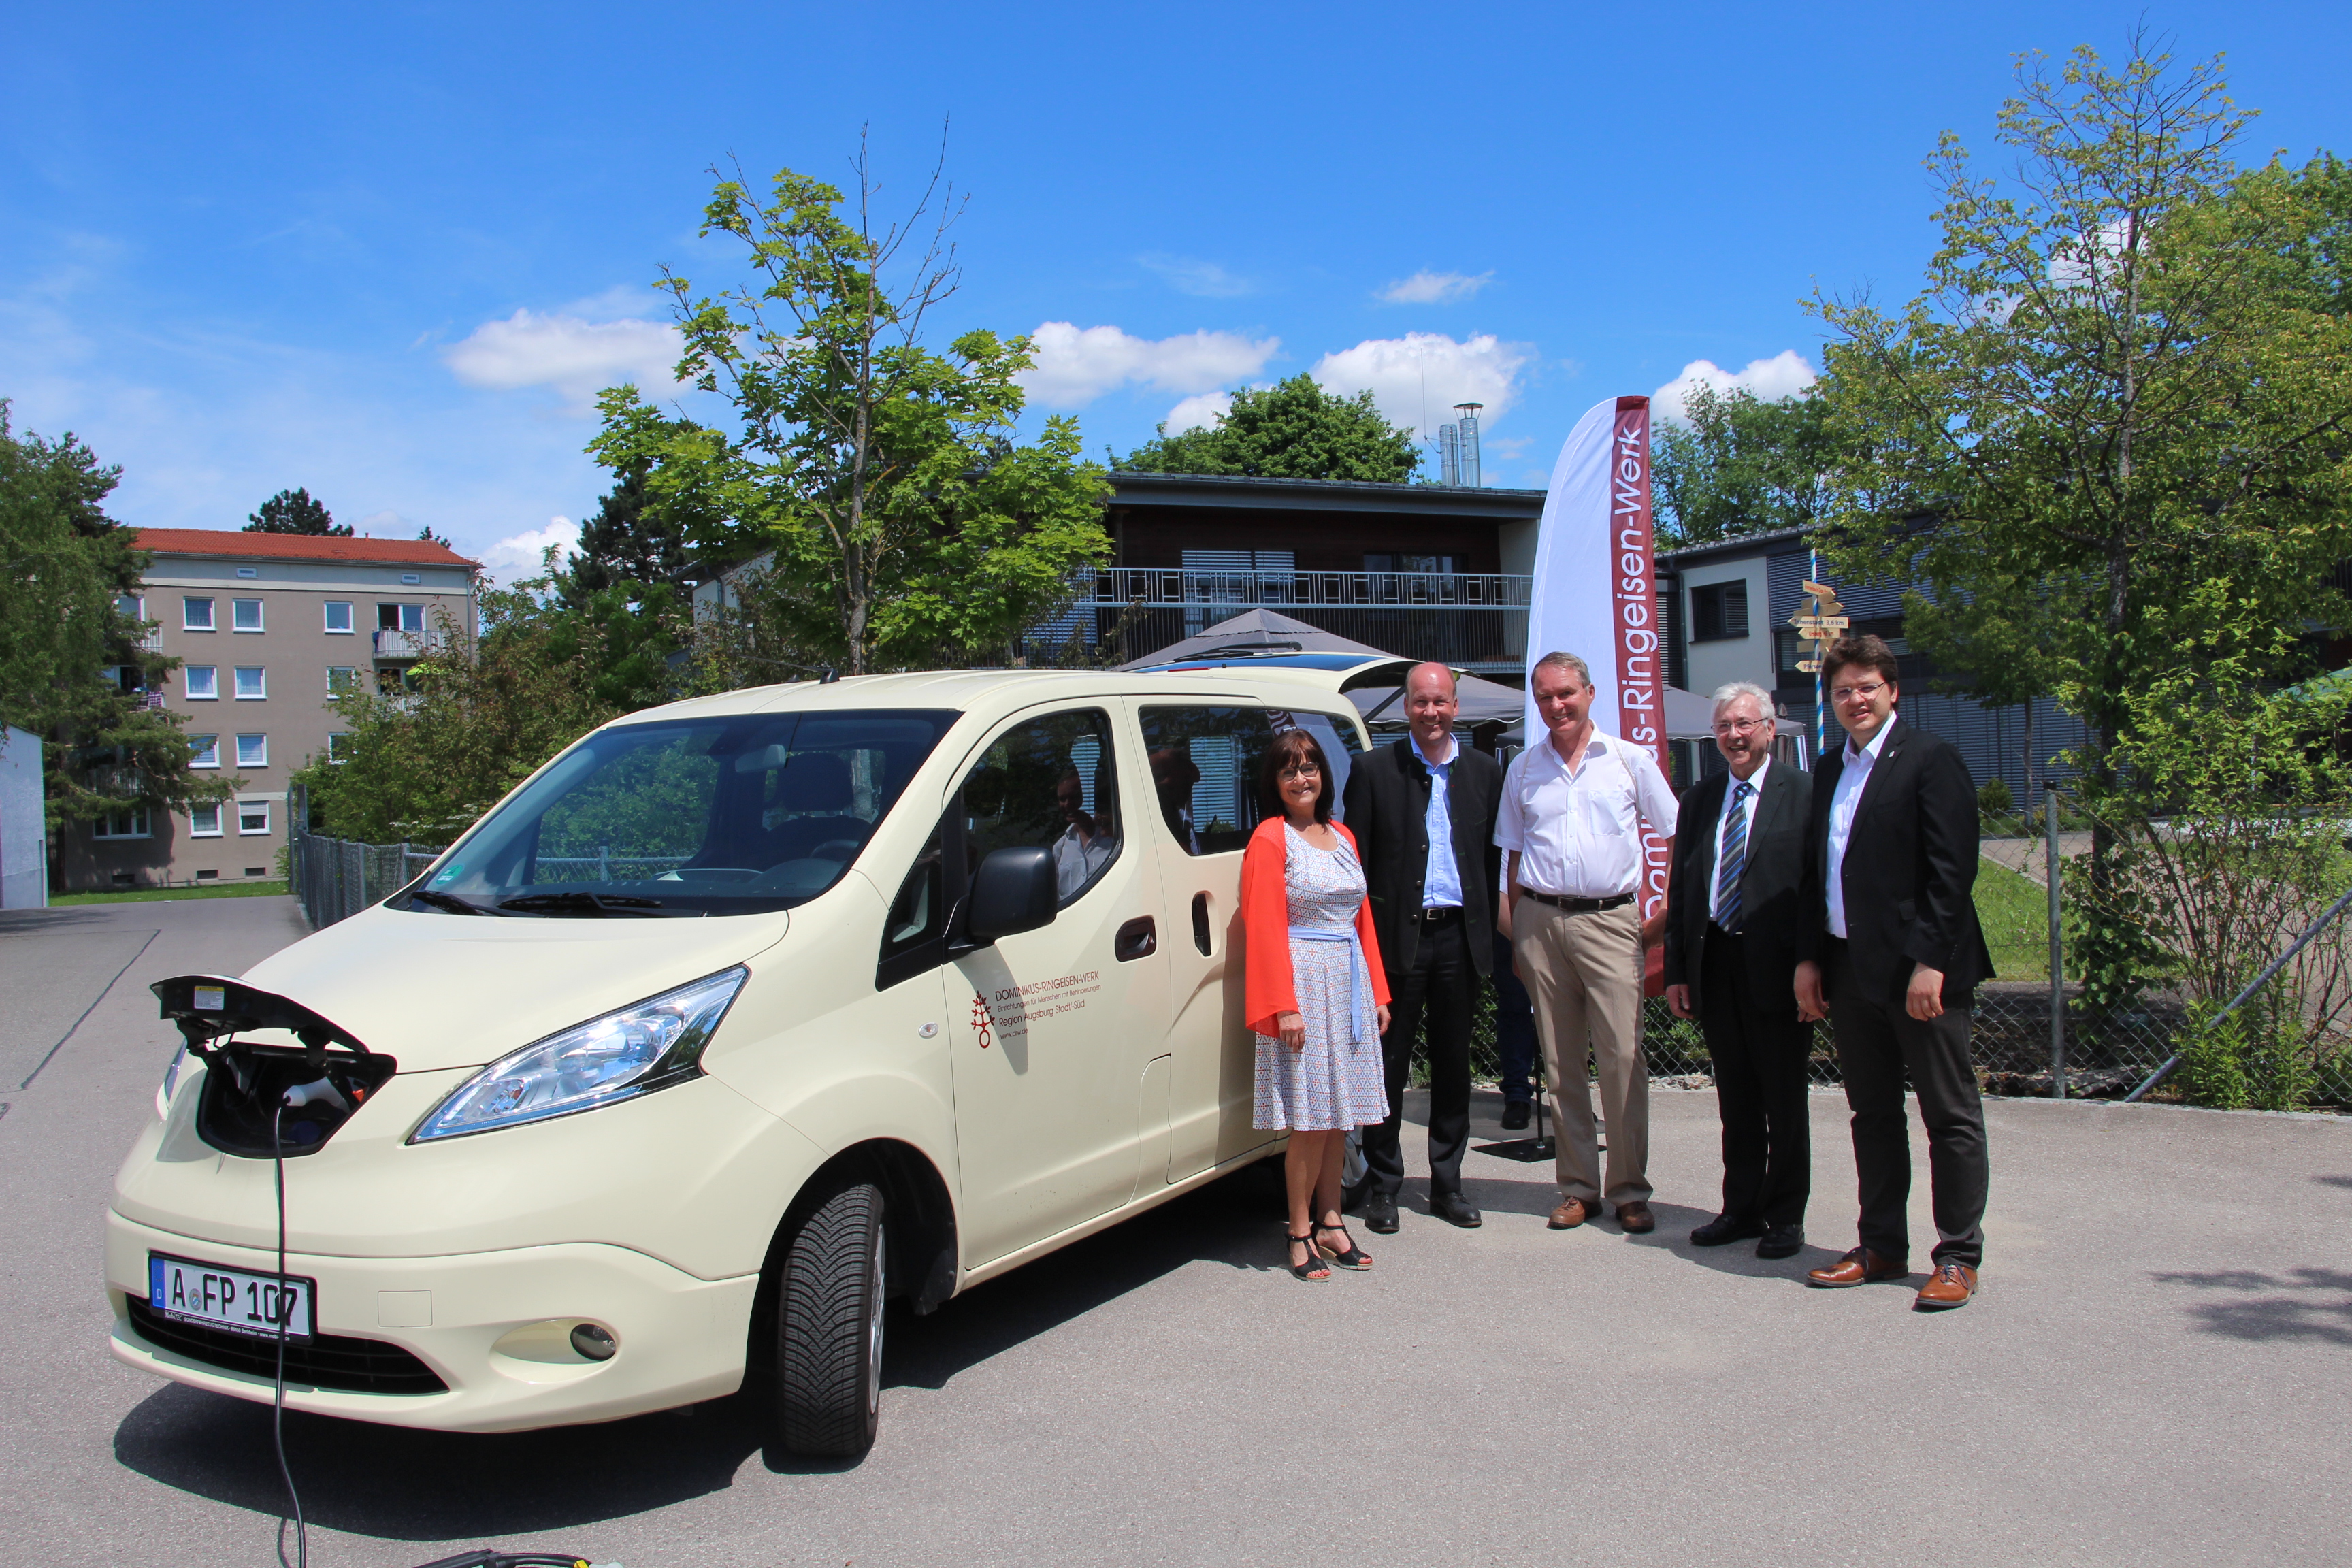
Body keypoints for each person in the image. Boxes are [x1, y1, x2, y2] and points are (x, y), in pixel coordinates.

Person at [1793, 634, 1994, 1310]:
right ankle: (1881, 1246)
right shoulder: (1828, 770)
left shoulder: (1931, 760)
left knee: (1949, 1117)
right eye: (1843, 690)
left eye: (1866, 687)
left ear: (1892, 691)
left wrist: (1930, 962)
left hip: (1921, 974)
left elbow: (1951, 873)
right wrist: (1810, 959)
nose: (1855, 700)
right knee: (1872, 1115)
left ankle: (1957, 1256)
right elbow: (1816, 876)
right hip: (1851, 970)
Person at [1498, 650, 1679, 1235]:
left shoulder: (1629, 761)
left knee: (1624, 1059)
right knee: (1561, 1062)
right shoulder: (1525, 768)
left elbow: (1675, 834)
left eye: (1565, 694)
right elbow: (1514, 856)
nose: (1556, 706)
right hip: (1542, 925)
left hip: (1611, 922)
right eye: (1545, 697)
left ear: (1590, 692)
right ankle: (1578, 1187)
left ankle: (1629, 1189)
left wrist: (1662, 913)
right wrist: (1522, 926)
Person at [1339, 662, 1504, 1232]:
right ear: (1405, 707)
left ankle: (1447, 1184)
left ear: (1455, 707)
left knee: (1453, 1067)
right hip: (1393, 944)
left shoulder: (1486, 772)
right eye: (1420, 702)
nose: (1430, 712)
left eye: (1440, 702)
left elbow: (1491, 862)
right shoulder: (1372, 770)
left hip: (1458, 938)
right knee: (1388, 1067)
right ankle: (1385, 1185)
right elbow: (1353, 866)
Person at [1663, 682, 1814, 1260]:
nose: (1735, 735)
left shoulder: (1801, 793)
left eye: (1745, 724)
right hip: (1718, 965)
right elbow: (1684, 890)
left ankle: (1785, 1215)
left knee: (1783, 1097)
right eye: (1725, 726)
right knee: (1737, 1100)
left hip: (1778, 970)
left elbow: (1814, 890)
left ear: (1770, 730)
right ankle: (1741, 1207)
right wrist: (1678, 968)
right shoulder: (1700, 799)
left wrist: (1810, 966)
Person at [1242, 728, 1392, 1281]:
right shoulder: (1271, 838)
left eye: (1309, 767)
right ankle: (1299, 1228)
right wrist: (1282, 1005)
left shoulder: (1344, 836)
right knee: (1309, 1120)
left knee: (1339, 1116)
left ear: (1323, 775)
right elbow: (1262, 927)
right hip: (1302, 982)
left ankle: (1333, 1220)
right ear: (1275, 783)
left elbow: (1362, 920)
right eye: (1289, 771)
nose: (1301, 778)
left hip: (1347, 979)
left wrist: (1377, 990)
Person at [1051, 768, 1118, 900]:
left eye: (1075, 797)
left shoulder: (1115, 838)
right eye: (1062, 799)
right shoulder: (1060, 848)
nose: (1067, 804)